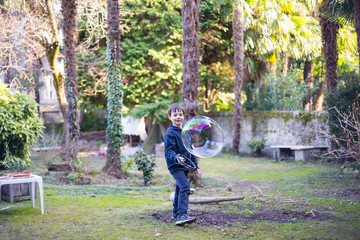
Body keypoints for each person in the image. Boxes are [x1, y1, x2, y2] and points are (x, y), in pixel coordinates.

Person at [164, 103, 200, 226]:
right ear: (170, 117)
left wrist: (195, 166)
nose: (178, 117)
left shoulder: (186, 133)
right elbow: (169, 151)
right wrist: (176, 157)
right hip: (175, 166)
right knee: (185, 187)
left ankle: (175, 212)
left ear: (183, 116)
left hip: (185, 166)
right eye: (175, 115)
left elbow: (191, 150)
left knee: (179, 188)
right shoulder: (170, 133)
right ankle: (182, 215)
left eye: (180, 114)